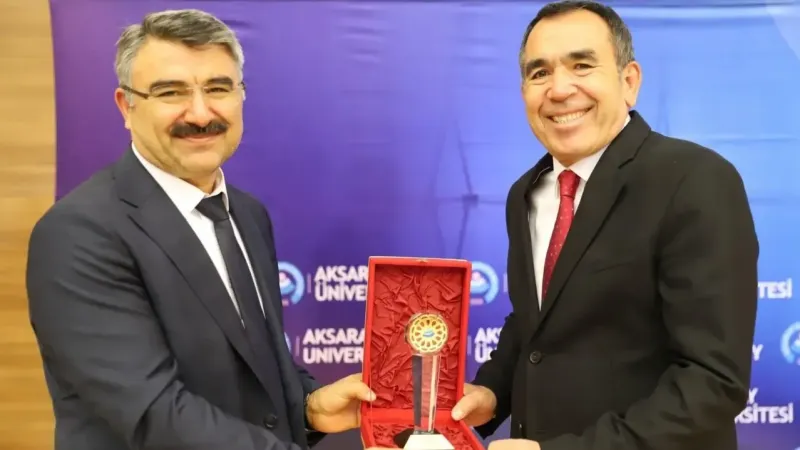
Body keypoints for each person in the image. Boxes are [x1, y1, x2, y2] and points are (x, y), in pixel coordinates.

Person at [26, 9, 375, 450]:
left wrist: (308, 407)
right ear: (126, 106)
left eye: (218, 88)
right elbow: (154, 414)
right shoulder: (79, 233)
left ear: (241, 96)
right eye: (171, 92)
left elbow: (251, 370)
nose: (199, 112)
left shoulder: (247, 214)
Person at [450, 2, 759, 450]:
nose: (559, 89)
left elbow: (712, 382)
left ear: (629, 81)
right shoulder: (525, 194)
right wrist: (491, 393)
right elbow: (535, 325)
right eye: (540, 73)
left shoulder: (695, 180)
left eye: (582, 65)